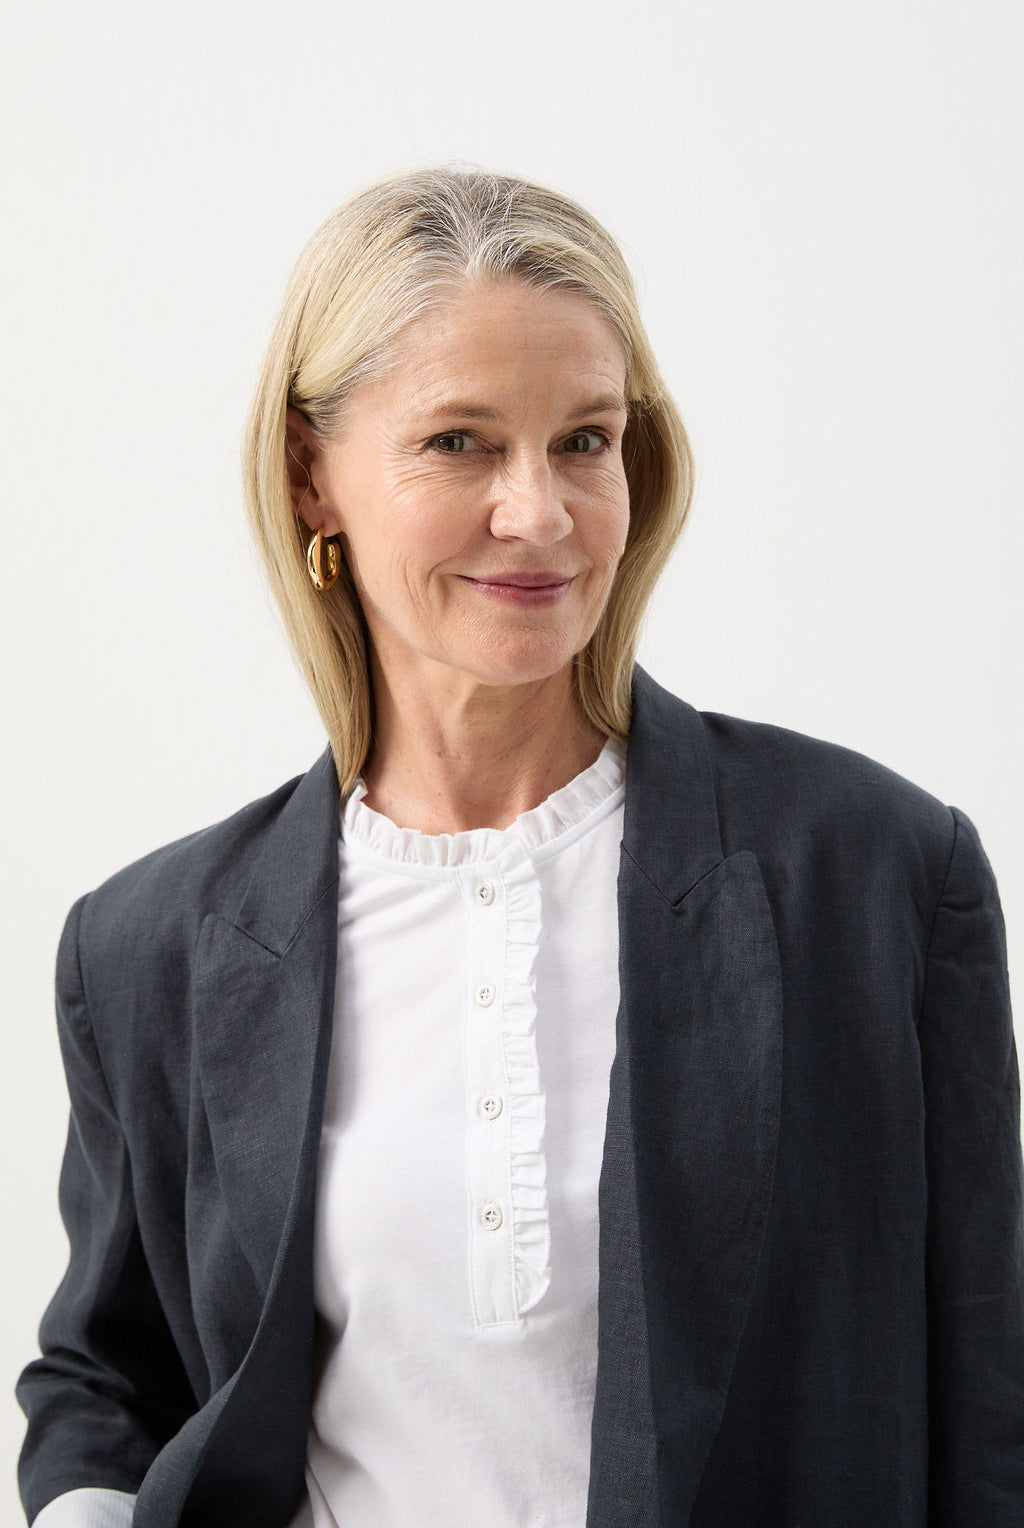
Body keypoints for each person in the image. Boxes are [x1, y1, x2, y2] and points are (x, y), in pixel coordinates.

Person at [16, 168, 1023, 1528]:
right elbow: (106, 1375)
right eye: (460, 442)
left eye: (585, 440)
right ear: (313, 475)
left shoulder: (875, 873)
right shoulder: (150, 947)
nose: (540, 512)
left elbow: (988, 1393)